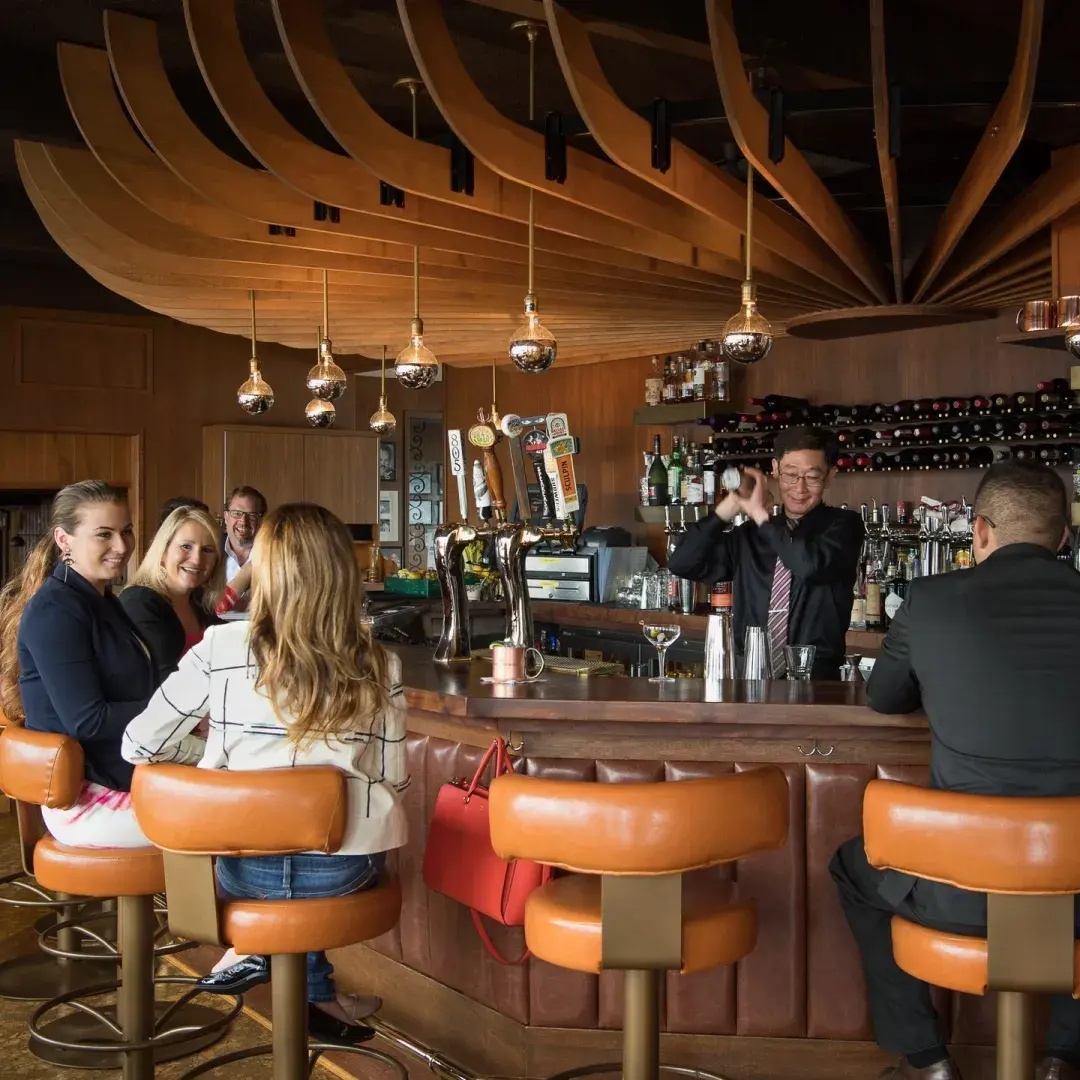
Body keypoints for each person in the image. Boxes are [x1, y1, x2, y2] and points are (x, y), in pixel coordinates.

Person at [122, 502, 409, 1045]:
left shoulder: (220, 647)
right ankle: (312, 995)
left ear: (265, 568)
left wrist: (213, 760)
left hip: (240, 866)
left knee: (283, 854)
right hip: (341, 872)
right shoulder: (378, 662)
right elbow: (394, 779)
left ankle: (259, 955)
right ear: (342, 572)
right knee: (324, 838)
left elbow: (137, 744)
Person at [830, 461, 1080, 1080]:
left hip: (960, 887)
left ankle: (926, 1059)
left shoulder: (931, 600)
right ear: (1065, 536)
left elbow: (885, 699)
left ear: (981, 531)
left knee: (853, 868)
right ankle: (1064, 1059)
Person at [0, 481, 160, 847]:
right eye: (104, 534)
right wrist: (174, 710)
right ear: (64, 539)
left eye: (127, 531)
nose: (121, 546)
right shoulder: (56, 608)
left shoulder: (101, 599)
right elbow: (87, 720)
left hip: (123, 776)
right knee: (234, 822)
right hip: (87, 801)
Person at [668, 425, 863, 678]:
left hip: (816, 678)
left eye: (812, 477)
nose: (799, 488)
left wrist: (760, 514)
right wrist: (729, 507)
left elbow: (808, 566)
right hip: (749, 673)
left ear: (830, 476)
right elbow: (681, 563)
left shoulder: (843, 526)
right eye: (790, 474)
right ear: (775, 469)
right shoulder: (750, 535)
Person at [119, 507, 226, 685]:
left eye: (207, 550)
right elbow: (165, 682)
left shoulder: (199, 603)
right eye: (186, 546)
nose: (197, 559)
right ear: (163, 551)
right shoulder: (139, 603)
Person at [221, 485, 266, 614]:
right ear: (226, 516)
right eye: (236, 514)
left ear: (261, 520)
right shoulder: (209, 551)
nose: (243, 521)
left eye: (252, 515)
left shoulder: (275, 554)